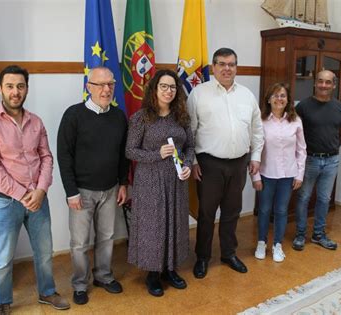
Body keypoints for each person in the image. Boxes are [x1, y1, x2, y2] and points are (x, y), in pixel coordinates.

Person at [0, 65, 70, 315]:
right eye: (10, 86)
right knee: (4, 258)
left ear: (26, 88)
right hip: (6, 203)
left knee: (45, 252)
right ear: (0, 89)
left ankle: (47, 292)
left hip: (39, 199)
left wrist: (40, 190)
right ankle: (2, 302)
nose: (15, 91)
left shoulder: (36, 122)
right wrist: (24, 195)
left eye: (20, 86)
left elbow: (46, 157)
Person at [188, 48, 264, 278]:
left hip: (239, 164)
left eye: (231, 64)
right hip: (209, 164)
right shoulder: (199, 94)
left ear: (236, 67)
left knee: (232, 212)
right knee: (207, 214)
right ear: (213, 67)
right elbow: (189, 130)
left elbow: (257, 130)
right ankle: (202, 257)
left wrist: (256, 157)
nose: (226, 68)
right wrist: (192, 161)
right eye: (221, 64)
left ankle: (228, 253)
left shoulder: (247, 95)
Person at [57, 66, 129, 305]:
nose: (106, 89)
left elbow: (122, 155)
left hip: (110, 188)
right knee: (79, 243)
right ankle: (80, 284)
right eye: (100, 84)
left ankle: (104, 276)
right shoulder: (73, 115)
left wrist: (123, 183)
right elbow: (64, 156)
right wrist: (71, 192)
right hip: (82, 191)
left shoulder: (119, 117)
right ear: (89, 87)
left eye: (110, 84)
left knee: (107, 236)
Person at [125, 69, 194, 297]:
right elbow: (130, 151)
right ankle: (153, 274)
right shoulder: (142, 117)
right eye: (163, 86)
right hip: (150, 181)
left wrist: (188, 165)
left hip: (176, 181)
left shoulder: (182, 117)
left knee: (174, 222)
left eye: (172, 87)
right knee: (153, 227)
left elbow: (190, 147)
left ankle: (170, 269)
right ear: (154, 89)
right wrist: (157, 153)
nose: (168, 91)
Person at [291, 70, 341, 251]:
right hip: (309, 160)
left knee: (324, 199)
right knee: (303, 198)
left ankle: (318, 235)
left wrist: (331, 149)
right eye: (321, 81)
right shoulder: (303, 107)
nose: (324, 85)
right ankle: (300, 234)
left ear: (334, 85)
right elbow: (295, 133)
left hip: (332, 161)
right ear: (315, 83)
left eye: (328, 82)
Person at [251, 83, 307, 262]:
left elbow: (302, 150)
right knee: (265, 209)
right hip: (266, 173)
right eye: (275, 95)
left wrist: (299, 174)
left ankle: (277, 245)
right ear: (269, 99)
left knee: (281, 211)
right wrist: (255, 176)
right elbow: (254, 148)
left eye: (283, 95)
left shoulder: (296, 121)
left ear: (288, 99)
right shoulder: (260, 121)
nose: (279, 99)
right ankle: (261, 242)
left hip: (288, 174)